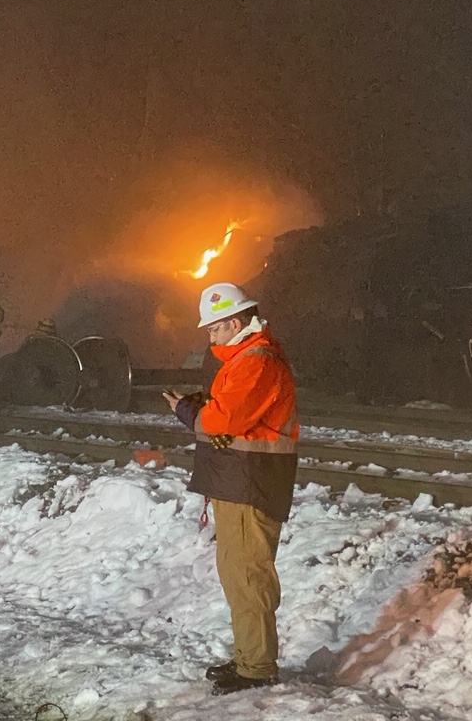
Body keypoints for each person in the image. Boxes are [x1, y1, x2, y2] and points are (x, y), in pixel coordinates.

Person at [163, 282, 298, 695]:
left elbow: (223, 421)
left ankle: (256, 669)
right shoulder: (243, 360)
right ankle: (248, 657)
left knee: (248, 576)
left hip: (250, 484)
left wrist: (190, 411)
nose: (210, 337)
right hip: (240, 481)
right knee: (237, 574)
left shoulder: (255, 362)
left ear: (234, 322)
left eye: (214, 330)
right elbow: (231, 416)